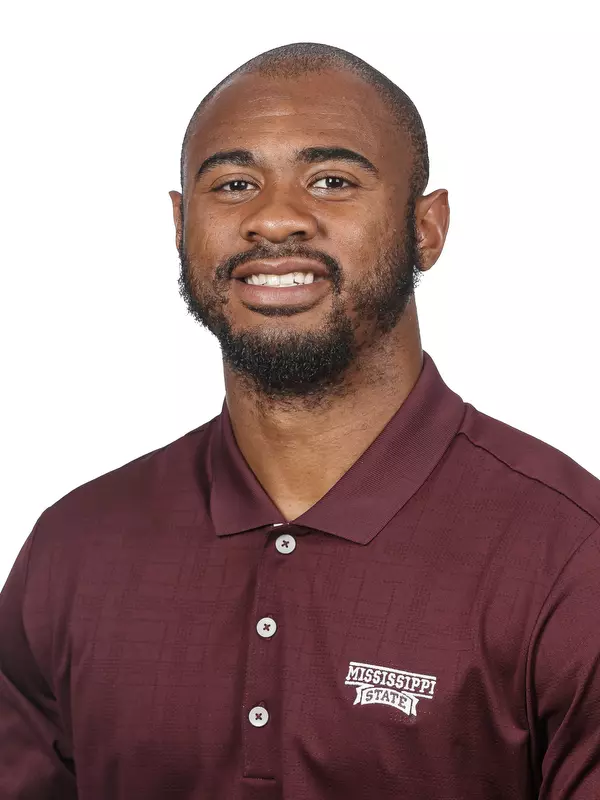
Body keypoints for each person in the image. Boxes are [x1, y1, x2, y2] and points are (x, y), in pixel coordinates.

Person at [1, 41, 599, 800]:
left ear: (428, 227)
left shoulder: (570, 558)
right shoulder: (74, 549)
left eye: (331, 180)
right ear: (181, 225)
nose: (274, 218)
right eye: (234, 183)